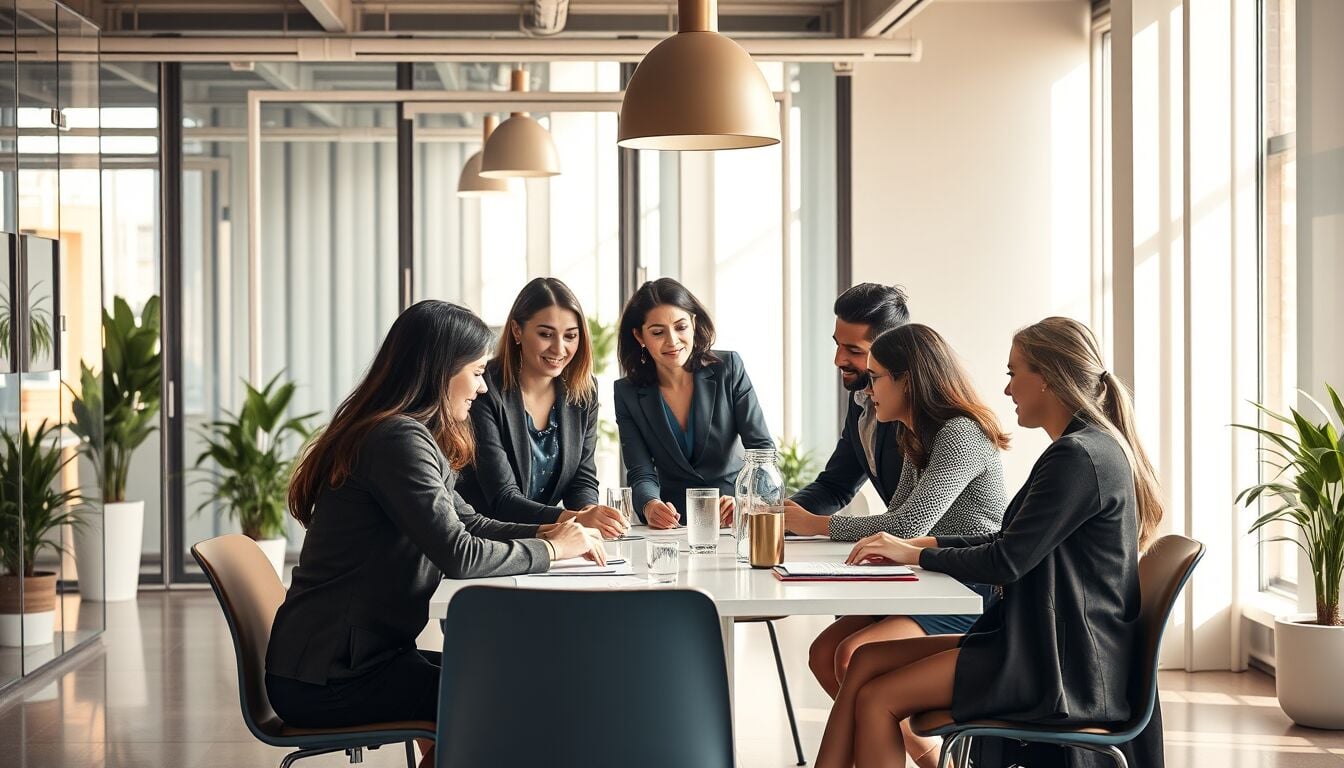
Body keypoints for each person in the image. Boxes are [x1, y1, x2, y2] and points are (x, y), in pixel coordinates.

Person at [813, 317, 1166, 768]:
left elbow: (1006, 561)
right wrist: (922, 545)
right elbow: (1007, 541)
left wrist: (921, 552)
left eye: (1013, 373)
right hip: (1036, 641)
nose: (1006, 390)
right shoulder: (1082, 450)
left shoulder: (1078, 458)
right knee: (864, 663)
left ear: (1047, 379)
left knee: (878, 697)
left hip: (1055, 664)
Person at [265, 300, 604, 768]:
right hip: (333, 676)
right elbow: (460, 554)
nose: (483, 386)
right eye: (477, 371)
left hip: (354, 659)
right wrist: (552, 549)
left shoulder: (406, 433)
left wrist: (556, 527)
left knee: (505, 686)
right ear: (440, 370)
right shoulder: (396, 440)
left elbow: (472, 522)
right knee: (503, 703)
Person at [785, 323, 1009, 768]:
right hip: (925, 578)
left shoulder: (959, 433)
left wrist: (816, 525)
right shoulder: (917, 434)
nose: (867, 392)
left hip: (967, 586)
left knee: (853, 655)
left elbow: (907, 523)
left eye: (875, 377)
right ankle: (933, 760)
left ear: (907, 379)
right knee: (824, 653)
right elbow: (901, 524)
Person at [456, 278, 628, 538]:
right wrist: (575, 518)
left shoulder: (583, 390)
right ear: (517, 331)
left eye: (570, 336)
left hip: (546, 537)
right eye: (546, 334)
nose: (559, 348)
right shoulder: (483, 388)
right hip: (486, 541)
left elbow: (581, 479)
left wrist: (593, 513)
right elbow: (503, 499)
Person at [612, 278, 774, 529]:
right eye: (657, 332)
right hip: (673, 525)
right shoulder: (627, 392)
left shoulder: (728, 368)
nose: (672, 341)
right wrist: (650, 505)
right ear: (639, 336)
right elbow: (640, 470)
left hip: (734, 520)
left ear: (694, 324)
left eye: (680, 327)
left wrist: (744, 500)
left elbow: (762, 451)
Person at [787, 283, 911, 518]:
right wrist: (775, 514)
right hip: (909, 550)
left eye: (854, 351)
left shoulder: (926, 414)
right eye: (837, 345)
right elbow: (836, 486)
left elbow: (907, 521)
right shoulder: (861, 401)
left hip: (951, 551)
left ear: (892, 352)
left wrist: (812, 524)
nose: (838, 360)